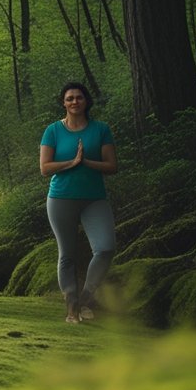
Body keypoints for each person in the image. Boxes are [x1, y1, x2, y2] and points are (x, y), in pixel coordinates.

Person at [39, 82, 117, 324]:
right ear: (63, 103)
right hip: (61, 198)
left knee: (105, 248)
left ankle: (85, 298)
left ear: (86, 101)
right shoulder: (53, 130)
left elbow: (112, 166)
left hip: (94, 198)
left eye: (79, 98)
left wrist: (86, 163)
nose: (74, 102)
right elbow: (44, 168)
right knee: (67, 254)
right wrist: (71, 163)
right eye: (70, 98)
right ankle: (72, 308)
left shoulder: (100, 129)